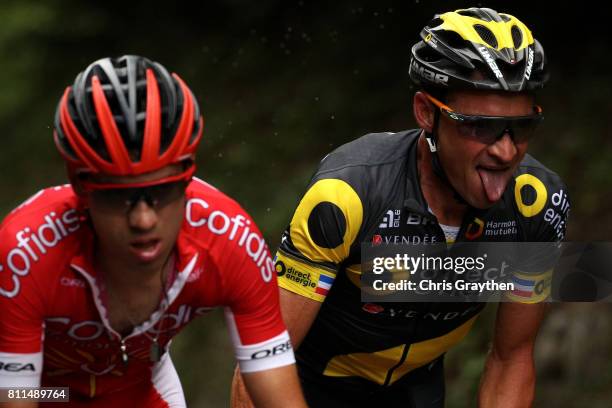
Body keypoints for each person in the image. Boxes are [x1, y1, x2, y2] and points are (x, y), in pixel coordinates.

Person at [231, 7, 570, 408]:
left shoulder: (536, 207)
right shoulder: (349, 197)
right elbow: (262, 364)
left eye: (523, 127)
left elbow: (511, 358)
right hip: (308, 388)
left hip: (415, 391)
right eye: (480, 126)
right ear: (426, 113)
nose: (505, 150)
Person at [0, 55, 307, 408]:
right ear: (81, 188)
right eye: (118, 197)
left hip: (140, 390)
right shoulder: (26, 251)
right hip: (43, 392)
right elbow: (14, 396)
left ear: (188, 175)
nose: (143, 220)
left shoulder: (231, 241)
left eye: (163, 191)